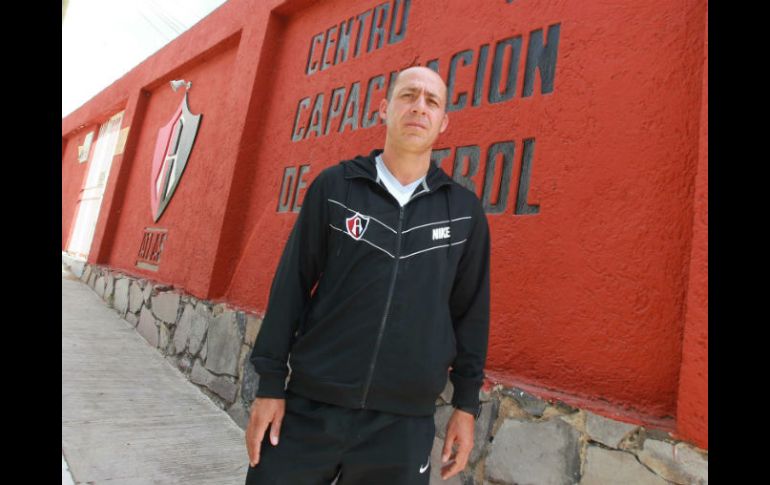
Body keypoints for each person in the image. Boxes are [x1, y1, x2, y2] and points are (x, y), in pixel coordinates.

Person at [245, 65, 491, 484]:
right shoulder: (335, 188)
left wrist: (465, 407)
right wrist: (270, 384)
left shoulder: (464, 212)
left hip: (402, 426)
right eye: (408, 96)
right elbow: (290, 288)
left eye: (432, 101)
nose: (419, 107)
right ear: (384, 109)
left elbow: (471, 316)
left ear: (444, 122)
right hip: (309, 410)